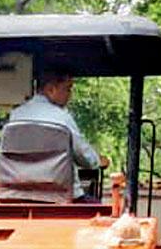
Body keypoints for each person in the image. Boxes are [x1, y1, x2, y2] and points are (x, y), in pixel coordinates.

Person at [8, 70, 109, 202]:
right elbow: (86, 159)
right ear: (51, 89)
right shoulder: (62, 119)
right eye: (67, 89)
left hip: (21, 197)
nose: (70, 96)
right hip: (61, 199)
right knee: (100, 212)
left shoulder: (15, 116)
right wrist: (98, 160)